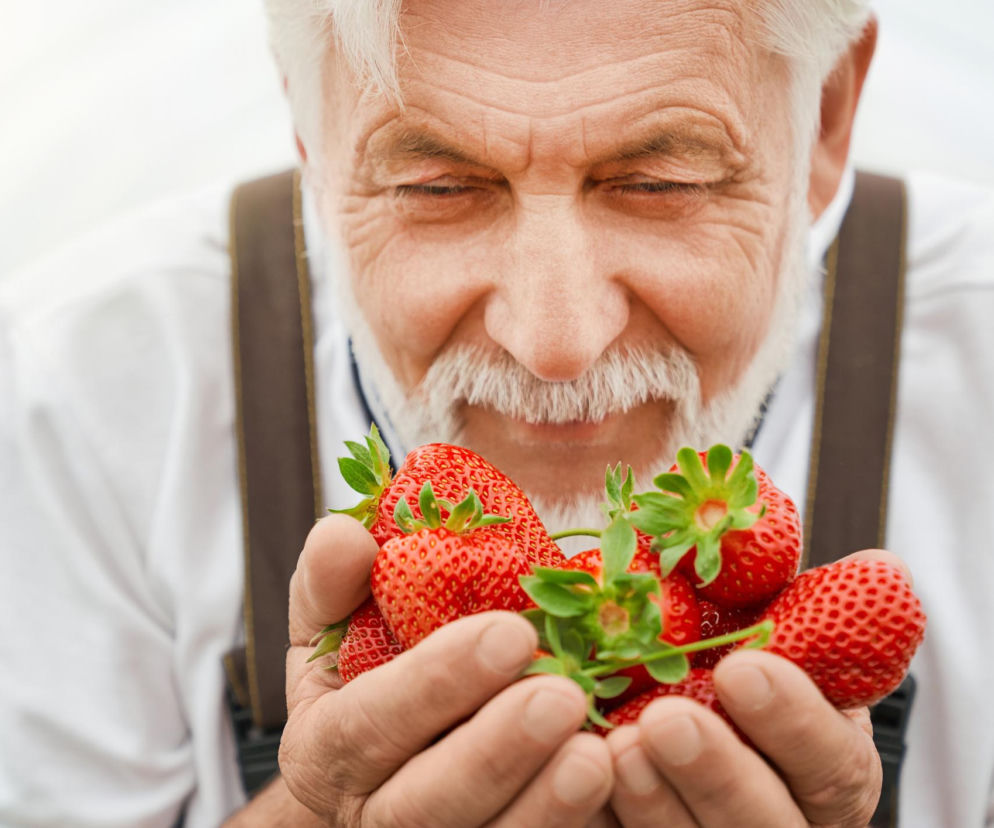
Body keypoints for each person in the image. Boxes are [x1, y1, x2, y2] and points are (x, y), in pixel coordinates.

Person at [1, 1, 992, 826]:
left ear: (825, 116)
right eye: (437, 185)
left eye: (661, 181)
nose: (553, 340)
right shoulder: (79, 392)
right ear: (306, 125)